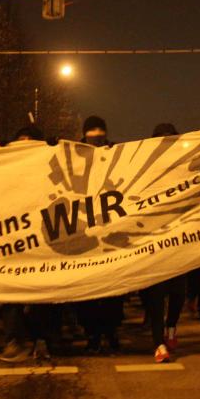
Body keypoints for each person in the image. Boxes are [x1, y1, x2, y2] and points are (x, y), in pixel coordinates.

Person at [0, 125, 59, 363]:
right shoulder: (6, 168)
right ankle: (14, 340)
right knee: (10, 293)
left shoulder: (46, 166)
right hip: (13, 241)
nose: (24, 145)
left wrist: (58, 148)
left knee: (43, 296)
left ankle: (43, 339)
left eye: (30, 141)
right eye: (20, 141)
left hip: (42, 240)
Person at [75, 116, 124, 354]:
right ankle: (92, 332)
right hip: (83, 228)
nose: (96, 134)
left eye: (100, 130)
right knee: (88, 289)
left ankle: (111, 330)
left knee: (113, 288)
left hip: (110, 228)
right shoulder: (72, 156)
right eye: (91, 131)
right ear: (84, 134)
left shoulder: (116, 154)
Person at [144, 123, 187, 363]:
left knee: (178, 291)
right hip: (153, 239)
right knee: (156, 294)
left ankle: (171, 327)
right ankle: (159, 342)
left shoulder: (184, 166)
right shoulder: (146, 168)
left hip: (179, 238)